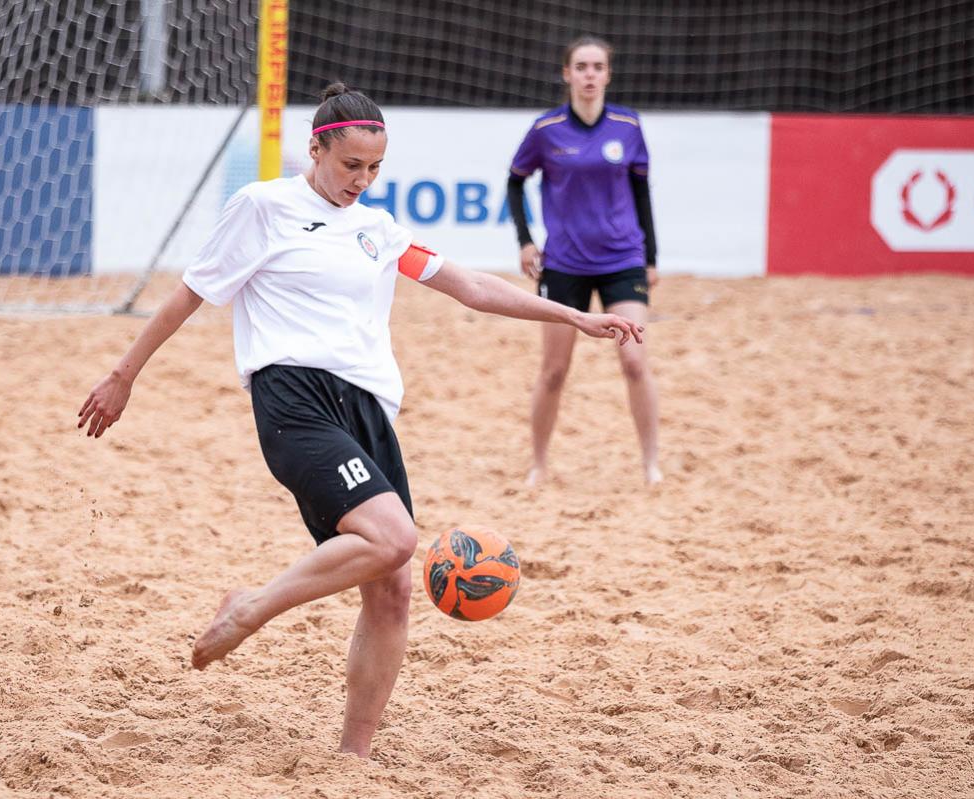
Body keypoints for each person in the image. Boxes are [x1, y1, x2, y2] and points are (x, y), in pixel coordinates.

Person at [77, 83, 642, 758]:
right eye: (350, 165)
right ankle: (250, 607)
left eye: (374, 168)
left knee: (393, 591)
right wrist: (124, 374)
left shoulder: (377, 230)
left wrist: (571, 315)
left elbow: (469, 286)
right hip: (294, 397)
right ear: (315, 150)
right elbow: (187, 296)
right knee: (395, 538)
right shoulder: (263, 207)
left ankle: (353, 757)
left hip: (370, 411)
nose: (362, 179)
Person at [507, 34, 663, 486]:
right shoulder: (546, 129)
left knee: (634, 362)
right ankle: (538, 465)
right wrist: (525, 241)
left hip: (622, 259)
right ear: (567, 74)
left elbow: (642, 192)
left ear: (608, 74)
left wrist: (651, 256)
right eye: (581, 67)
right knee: (554, 371)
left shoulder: (628, 125)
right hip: (564, 263)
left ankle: (651, 465)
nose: (589, 75)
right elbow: (515, 181)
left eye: (597, 67)